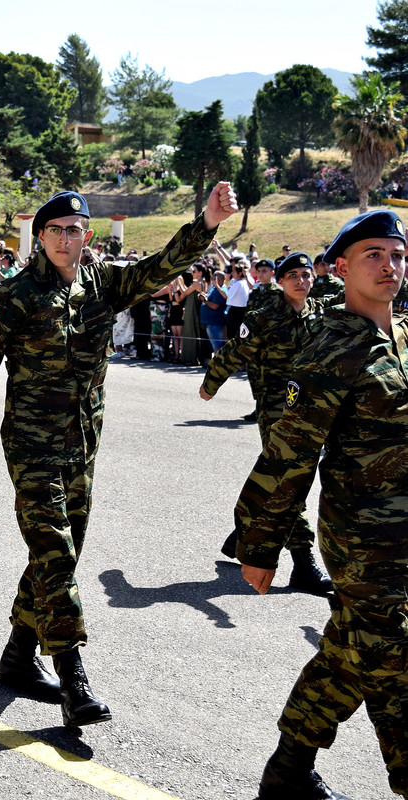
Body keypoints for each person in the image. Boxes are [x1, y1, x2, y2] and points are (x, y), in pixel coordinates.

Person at [0, 183, 238, 728]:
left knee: (54, 556)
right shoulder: (14, 295)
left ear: (86, 235)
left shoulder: (104, 284)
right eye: (56, 231)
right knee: (57, 556)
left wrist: (206, 224)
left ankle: (18, 657)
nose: (67, 239)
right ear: (40, 238)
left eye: (75, 230)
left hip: (82, 445)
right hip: (32, 448)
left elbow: (163, 266)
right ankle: (73, 678)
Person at [234, 210, 408, 799]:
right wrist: (259, 545)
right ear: (342, 267)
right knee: (396, 662)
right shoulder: (332, 347)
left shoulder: (403, 336)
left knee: (348, 653)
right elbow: (289, 452)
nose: (390, 266)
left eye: (397, 255)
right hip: (364, 542)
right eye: (373, 256)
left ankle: (287, 772)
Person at [200, 252, 338, 594]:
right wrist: (209, 386)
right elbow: (234, 352)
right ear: (280, 280)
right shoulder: (264, 317)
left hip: (314, 410)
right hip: (276, 412)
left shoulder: (320, 313)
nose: (302, 281)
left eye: (306, 275)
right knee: (291, 482)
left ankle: (244, 531)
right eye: (294, 275)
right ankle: (304, 565)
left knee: (280, 480)